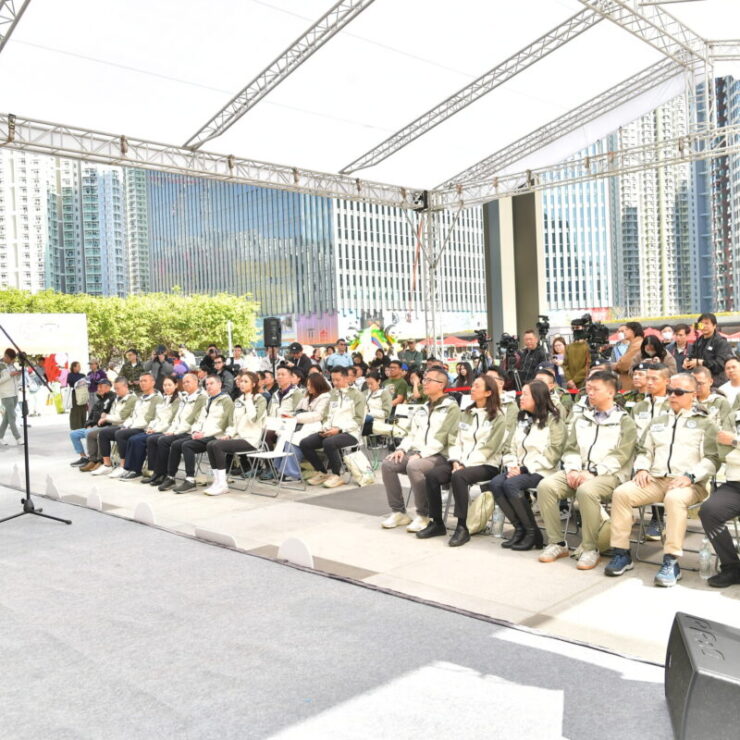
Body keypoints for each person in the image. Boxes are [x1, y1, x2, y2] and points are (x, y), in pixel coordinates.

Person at [605, 373, 720, 586]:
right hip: (656, 480)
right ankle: (621, 553)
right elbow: (644, 450)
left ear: (693, 395)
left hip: (690, 483)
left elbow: (713, 459)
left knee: (674, 499)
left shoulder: (705, 423)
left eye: (679, 392)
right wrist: (641, 468)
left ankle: (671, 560)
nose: (672, 395)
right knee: (621, 493)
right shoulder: (658, 421)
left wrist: (690, 476)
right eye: (670, 391)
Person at [537, 371, 637, 571]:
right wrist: (573, 469)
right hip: (579, 471)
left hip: (609, 475)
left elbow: (621, 455)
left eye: (595, 389)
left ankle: (590, 548)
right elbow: (571, 448)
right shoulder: (582, 418)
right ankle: (557, 543)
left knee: (586, 490)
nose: (590, 393)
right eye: (588, 389)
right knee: (546, 486)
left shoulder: (624, 421)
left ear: (611, 392)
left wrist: (593, 472)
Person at [380, 366, 461, 532]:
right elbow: (411, 433)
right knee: (388, 464)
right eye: (424, 379)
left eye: (429, 380)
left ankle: (424, 515)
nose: (424, 383)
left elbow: (443, 438)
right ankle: (399, 511)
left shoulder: (451, 408)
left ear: (441, 384)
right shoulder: (422, 407)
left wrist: (421, 454)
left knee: (414, 465)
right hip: (417, 453)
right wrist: (402, 449)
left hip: (439, 455)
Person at [490, 380, 566, 550]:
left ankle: (532, 532)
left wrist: (523, 469)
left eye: (525, 395)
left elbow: (554, 453)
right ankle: (520, 529)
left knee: (511, 484)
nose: (521, 398)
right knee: (495, 483)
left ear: (537, 398)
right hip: (519, 469)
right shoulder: (522, 419)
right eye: (521, 394)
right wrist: (512, 466)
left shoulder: (554, 421)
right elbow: (509, 447)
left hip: (543, 469)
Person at [444, 375, 508, 547]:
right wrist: (456, 460)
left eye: (477, 386)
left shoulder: (498, 417)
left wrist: (464, 465)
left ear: (488, 392)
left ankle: (462, 527)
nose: (472, 389)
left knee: (459, 477)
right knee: (434, 473)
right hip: (461, 462)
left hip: (487, 464)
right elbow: (455, 441)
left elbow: (489, 448)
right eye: (472, 385)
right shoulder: (466, 413)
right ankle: (434, 520)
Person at [158, 374, 234, 493]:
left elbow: (224, 423)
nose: (208, 386)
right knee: (176, 444)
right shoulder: (209, 400)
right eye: (207, 384)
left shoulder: (226, 400)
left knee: (187, 445)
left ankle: (190, 480)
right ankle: (170, 477)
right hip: (203, 434)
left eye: (211, 383)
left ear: (219, 384)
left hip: (216, 436)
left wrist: (204, 434)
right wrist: (195, 431)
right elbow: (200, 419)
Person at [299, 367, 366, 489]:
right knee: (305, 443)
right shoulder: (332, 394)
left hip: (350, 433)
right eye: (333, 380)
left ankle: (337, 474)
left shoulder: (357, 395)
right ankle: (322, 472)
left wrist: (339, 430)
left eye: (337, 380)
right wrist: (325, 428)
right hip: (331, 431)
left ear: (347, 378)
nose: (334, 383)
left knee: (329, 442)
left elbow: (358, 420)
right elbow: (326, 416)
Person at [204, 371, 267, 495]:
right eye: (241, 381)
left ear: (254, 384)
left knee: (217, 446)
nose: (242, 384)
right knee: (211, 444)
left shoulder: (260, 399)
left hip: (251, 439)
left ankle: (223, 484)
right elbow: (234, 422)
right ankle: (217, 481)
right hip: (238, 437)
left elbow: (254, 418)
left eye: (246, 381)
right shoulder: (238, 400)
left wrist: (249, 399)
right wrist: (228, 435)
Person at [92, 372, 162, 477]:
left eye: (145, 381)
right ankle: (107, 465)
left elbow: (149, 419)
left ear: (153, 383)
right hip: (132, 425)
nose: (142, 383)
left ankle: (123, 466)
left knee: (121, 434)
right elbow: (132, 416)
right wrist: (125, 425)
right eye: (141, 381)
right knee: (104, 433)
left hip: (143, 428)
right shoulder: (140, 398)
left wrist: (129, 427)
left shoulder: (157, 398)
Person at [144, 372, 207, 487]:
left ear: (196, 382)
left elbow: (191, 420)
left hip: (189, 431)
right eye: (184, 382)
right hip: (179, 430)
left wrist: (174, 432)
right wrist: (172, 430)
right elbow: (177, 419)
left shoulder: (201, 398)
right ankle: (158, 472)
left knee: (164, 440)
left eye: (188, 382)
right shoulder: (185, 398)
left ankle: (167, 474)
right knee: (154, 439)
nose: (185, 384)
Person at [699, 420, 740, 587]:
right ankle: (732, 567)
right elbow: (724, 454)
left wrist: (735, 441)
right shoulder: (734, 415)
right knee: (709, 511)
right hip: (735, 484)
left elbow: (730, 443)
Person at [118, 375, 180, 481]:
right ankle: (131, 468)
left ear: (176, 385)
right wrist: (151, 427)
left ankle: (145, 470)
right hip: (156, 428)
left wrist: (156, 430)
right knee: (133, 439)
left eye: (169, 385)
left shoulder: (177, 401)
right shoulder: (164, 399)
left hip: (166, 430)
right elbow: (157, 418)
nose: (166, 387)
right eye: (165, 385)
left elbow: (170, 421)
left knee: (140, 440)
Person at [278, 371, 332, 481]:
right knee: (284, 438)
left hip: (315, 426)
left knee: (293, 441)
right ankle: (280, 469)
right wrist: (291, 416)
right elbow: (298, 410)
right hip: (302, 425)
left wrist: (296, 417)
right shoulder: (307, 396)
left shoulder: (325, 397)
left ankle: (290, 472)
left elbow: (318, 415)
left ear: (318, 385)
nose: (308, 388)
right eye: (307, 385)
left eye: (311, 385)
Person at [79, 377, 137, 472]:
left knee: (102, 433)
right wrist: (102, 418)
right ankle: (95, 461)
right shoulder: (117, 398)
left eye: (118, 388)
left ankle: (104, 462)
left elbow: (121, 417)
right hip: (114, 424)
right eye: (115, 389)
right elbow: (110, 413)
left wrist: (106, 417)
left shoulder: (132, 398)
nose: (116, 391)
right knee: (91, 434)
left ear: (126, 386)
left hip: (124, 425)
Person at [69, 378, 115, 467]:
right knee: (73, 434)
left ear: (108, 388)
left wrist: (94, 425)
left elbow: (106, 417)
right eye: (98, 387)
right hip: (94, 426)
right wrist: (88, 424)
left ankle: (94, 459)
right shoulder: (98, 401)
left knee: (88, 432)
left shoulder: (112, 399)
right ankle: (84, 458)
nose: (98, 389)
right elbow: (90, 416)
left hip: (105, 426)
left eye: (101, 387)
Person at [684, 312, 733, 386]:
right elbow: (692, 356)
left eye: (707, 323)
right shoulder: (698, 341)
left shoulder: (721, 342)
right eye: (701, 324)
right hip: (699, 381)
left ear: (714, 325)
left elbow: (720, 364)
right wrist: (688, 361)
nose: (704, 326)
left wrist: (701, 362)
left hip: (716, 383)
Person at [613, 322, 644, 392]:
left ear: (634, 331)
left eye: (627, 329)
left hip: (631, 383)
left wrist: (616, 365)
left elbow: (624, 364)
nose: (624, 332)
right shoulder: (634, 344)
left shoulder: (637, 345)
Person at [0, 347, 21, 445]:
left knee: (7, 418)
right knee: (12, 417)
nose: (12, 361)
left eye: (13, 360)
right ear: (6, 356)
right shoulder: (0, 366)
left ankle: (0, 437)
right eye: (11, 359)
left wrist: (18, 374)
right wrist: (10, 375)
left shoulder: (12, 366)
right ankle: (18, 438)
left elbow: (17, 380)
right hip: (6, 395)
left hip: (15, 394)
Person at [363, 371, 392, 436]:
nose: (369, 386)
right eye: (368, 384)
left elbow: (386, 413)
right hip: (364, 421)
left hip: (377, 423)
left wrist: (369, 412)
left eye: (371, 383)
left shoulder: (385, 394)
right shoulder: (364, 393)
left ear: (378, 381)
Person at [564, 323, 590, 390]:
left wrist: (573, 380)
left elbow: (587, 366)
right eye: (573, 328)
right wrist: (570, 380)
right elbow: (565, 365)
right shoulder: (568, 347)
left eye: (577, 327)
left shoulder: (587, 347)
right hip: (571, 384)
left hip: (582, 383)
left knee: (581, 396)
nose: (575, 330)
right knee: (572, 396)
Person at [66, 361, 88, 430]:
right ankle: (75, 426)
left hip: (83, 393)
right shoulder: (70, 375)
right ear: (74, 367)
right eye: (78, 366)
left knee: (83, 409)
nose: (79, 367)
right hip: (75, 394)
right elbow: (73, 382)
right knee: (75, 410)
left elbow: (86, 382)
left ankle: (83, 425)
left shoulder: (82, 375)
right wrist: (81, 382)